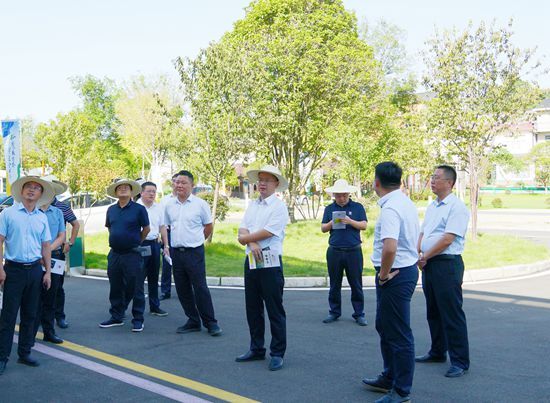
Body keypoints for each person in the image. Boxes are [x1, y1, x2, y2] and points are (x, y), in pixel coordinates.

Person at [362, 162, 419, 403]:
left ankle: (402, 391)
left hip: (395, 274)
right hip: (402, 271)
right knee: (385, 326)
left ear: (377, 182)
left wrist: (384, 275)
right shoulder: (404, 201)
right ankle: (390, 377)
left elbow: (390, 247)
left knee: (398, 333)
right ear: (400, 181)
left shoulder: (391, 209)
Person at [415, 165, 470, 378]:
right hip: (429, 264)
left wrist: (425, 256)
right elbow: (423, 232)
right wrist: (419, 252)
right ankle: (437, 351)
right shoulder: (432, 206)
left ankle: (460, 361)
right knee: (434, 311)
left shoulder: (457, 207)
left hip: (447, 264)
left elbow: (448, 239)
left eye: (437, 177)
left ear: (449, 182)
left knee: (451, 313)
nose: (432, 180)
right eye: (432, 177)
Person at [236, 165, 289, 371]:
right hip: (251, 259)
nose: (263, 184)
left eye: (267, 180)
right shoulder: (253, 205)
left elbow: (269, 231)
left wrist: (246, 239)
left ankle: (277, 353)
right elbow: (242, 228)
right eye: (260, 180)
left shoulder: (279, 207)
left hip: (270, 261)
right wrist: (251, 243)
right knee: (253, 307)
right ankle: (256, 348)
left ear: (276, 183)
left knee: (274, 308)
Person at [0, 176, 54, 375]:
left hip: (35, 271)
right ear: (21, 192)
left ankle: (24, 353)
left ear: (40, 194)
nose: (32, 190)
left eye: (36, 188)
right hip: (13, 270)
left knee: (30, 315)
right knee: (8, 316)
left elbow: (46, 246)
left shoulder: (41, 217)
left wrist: (47, 272)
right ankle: (2, 357)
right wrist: (0, 269)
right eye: (28, 187)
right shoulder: (8, 214)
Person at [163, 170, 222, 337]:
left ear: (192, 185)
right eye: (177, 182)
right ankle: (193, 320)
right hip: (176, 252)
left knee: (200, 287)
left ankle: (211, 322)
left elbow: (208, 226)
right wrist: (167, 246)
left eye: (184, 182)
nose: (179, 185)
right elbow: (166, 226)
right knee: (182, 289)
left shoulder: (200, 204)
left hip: (194, 252)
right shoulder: (169, 205)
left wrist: (197, 240)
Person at [99, 179, 150, 332]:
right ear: (115, 192)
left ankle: (138, 319)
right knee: (115, 286)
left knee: (136, 287)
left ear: (131, 191)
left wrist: (136, 242)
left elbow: (146, 229)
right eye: (119, 188)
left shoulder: (139, 209)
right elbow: (110, 228)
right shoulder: (111, 210)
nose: (122, 189)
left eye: (126, 187)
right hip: (115, 254)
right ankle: (116, 316)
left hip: (132, 254)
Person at [321, 179, 368, 326]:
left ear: (349, 194)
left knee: (356, 283)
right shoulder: (329, 208)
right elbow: (323, 228)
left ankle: (359, 313)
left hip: (353, 250)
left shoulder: (358, 207)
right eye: (338, 195)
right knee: (335, 284)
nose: (341, 198)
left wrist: (349, 221)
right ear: (334, 195)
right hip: (334, 250)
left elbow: (364, 225)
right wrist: (333, 222)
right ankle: (334, 312)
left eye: (344, 195)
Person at [34, 180, 66, 345]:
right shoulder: (32, 211)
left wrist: (48, 250)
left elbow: (62, 236)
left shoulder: (58, 212)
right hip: (35, 258)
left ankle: (49, 331)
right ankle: (30, 332)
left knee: (51, 295)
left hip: (54, 257)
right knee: (33, 297)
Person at [51, 178, 80, 329]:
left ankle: (59, 316)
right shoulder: (36, 206)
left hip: (57, 253)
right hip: (37, 254)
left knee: (57, 285)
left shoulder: (62, 207)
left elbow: (75, 224)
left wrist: (70, 242)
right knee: (38, 286)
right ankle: (42, 317)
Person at [137, 181, 168, 317]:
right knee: (138, 278)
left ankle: (155, 307)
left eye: (154, 191)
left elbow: (162, 227)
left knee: (154, 276)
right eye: (148, 191)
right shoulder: (136, 207)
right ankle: (128, 308)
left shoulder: (159, 207)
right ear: (141, 193)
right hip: (141, 245)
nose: (152, 194)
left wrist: (166, 245)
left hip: (155, 244)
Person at [159, 173, 178, 300]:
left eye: (179, 181)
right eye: (174, 181)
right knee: (167, 263)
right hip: (168, 233)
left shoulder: (190, 200)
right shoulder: (165, 200)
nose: (176, 184)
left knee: (184, 263)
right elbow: (161, 220)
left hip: (182, 233)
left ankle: (187, 290)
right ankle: (165, 291)